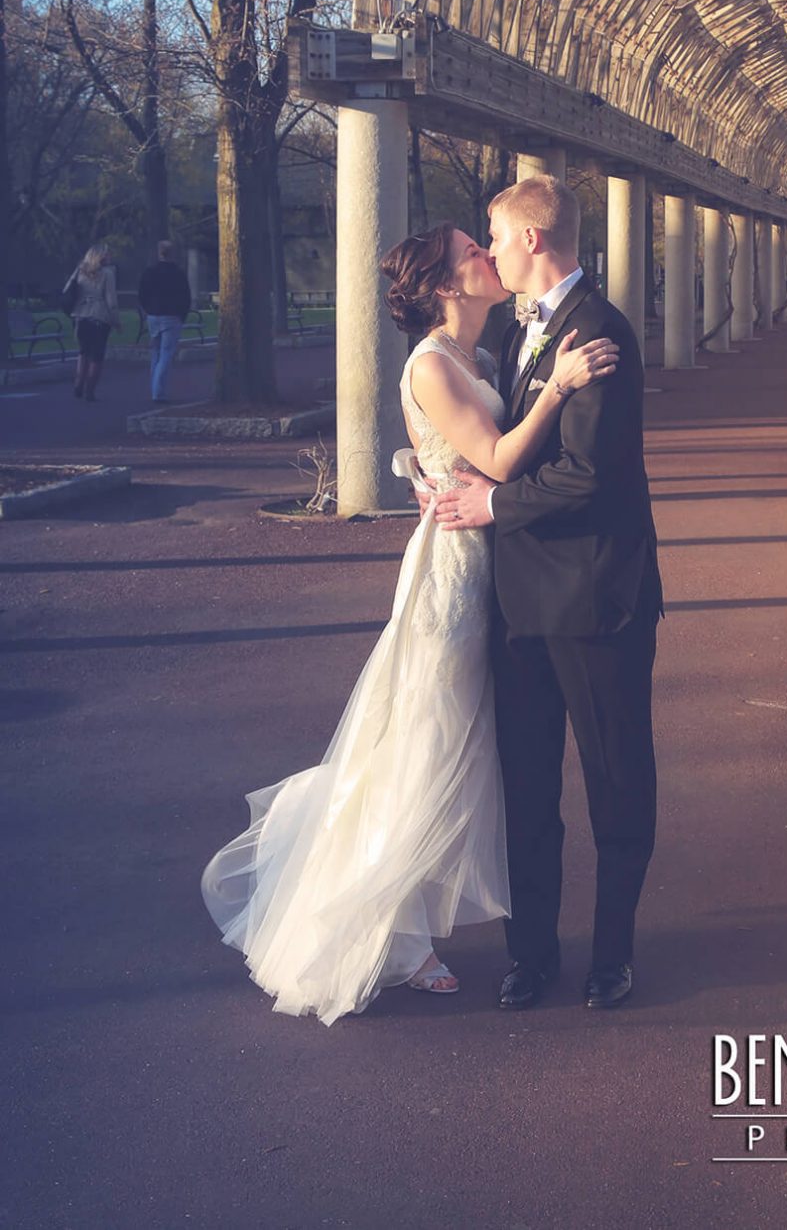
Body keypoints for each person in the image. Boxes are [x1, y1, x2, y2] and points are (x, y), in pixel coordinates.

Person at [200, 222, 619, 1024]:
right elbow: (497, 459)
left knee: (468, 743)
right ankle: (389, 929)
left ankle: (419, 914)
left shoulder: (484, 356)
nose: (488, 258)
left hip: (495, 559)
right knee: (426, 736)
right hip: (455, 576)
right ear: (443, 286)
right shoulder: (431, 364)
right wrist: (562, 386)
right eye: (472, 252)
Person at [435, 175, 663, 1013]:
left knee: (615, 783)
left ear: (532, 240)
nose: (489, 251)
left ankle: (612, 956)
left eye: (495, 236)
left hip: (597, 598)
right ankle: (530, 956)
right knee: (527, 789)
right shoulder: (514, 333)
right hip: (519, 604)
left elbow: (587, 474)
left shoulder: (599, 331)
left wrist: (490, 503)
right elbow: (502, 442)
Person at [137, 240, 192, 404]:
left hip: (153, 316)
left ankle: (155, 387)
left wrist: (148, 310)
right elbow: (186, 297)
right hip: (172, 316)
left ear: (159, 253)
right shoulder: (179, 274)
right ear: (172, 253)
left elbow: (142, 294)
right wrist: (182, 316)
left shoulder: (149, 272)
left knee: (156, 353)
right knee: (167, 354)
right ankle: (158, 392)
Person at [65, 242, 119, 402]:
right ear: (101, 256)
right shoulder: (108, 273)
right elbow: (111, 300)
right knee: (97, 356)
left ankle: (78, 382)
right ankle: (90, 389)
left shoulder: (79, 270)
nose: (110, 256)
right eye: (108, 253)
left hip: (80, 316)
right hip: (99, 317)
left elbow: (68, 288)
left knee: (83, 351)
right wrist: (116, 321)